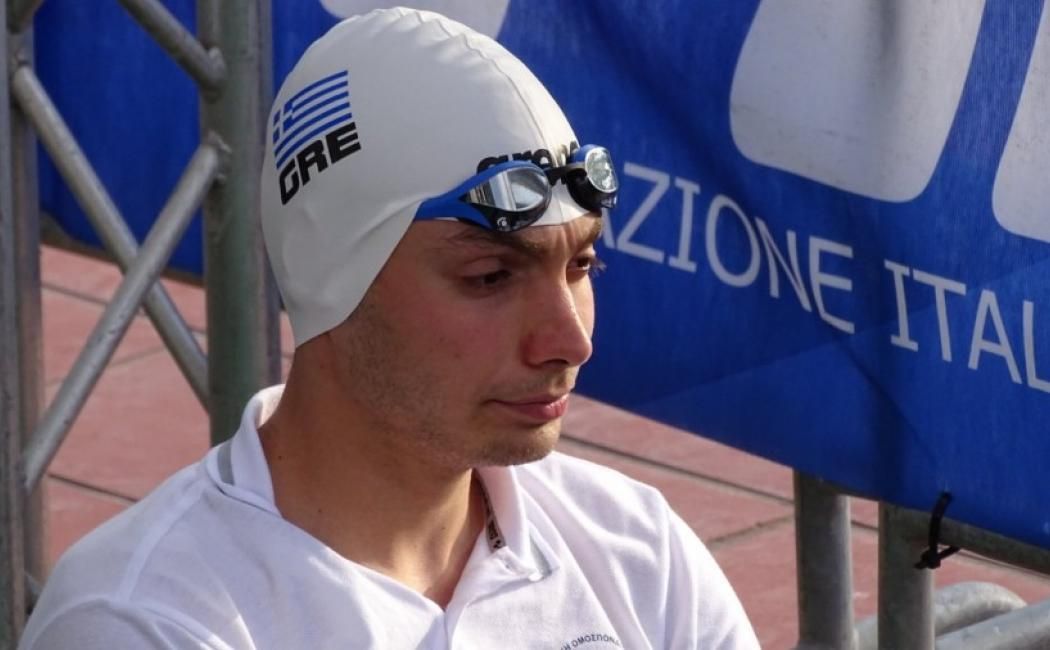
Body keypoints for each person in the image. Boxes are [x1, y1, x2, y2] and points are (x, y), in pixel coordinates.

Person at [20, 8, 759, 649]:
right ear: (331, 278)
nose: (571, 342)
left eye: (581, 266)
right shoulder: (148, 621)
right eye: (491, 277)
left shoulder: (639, 556)